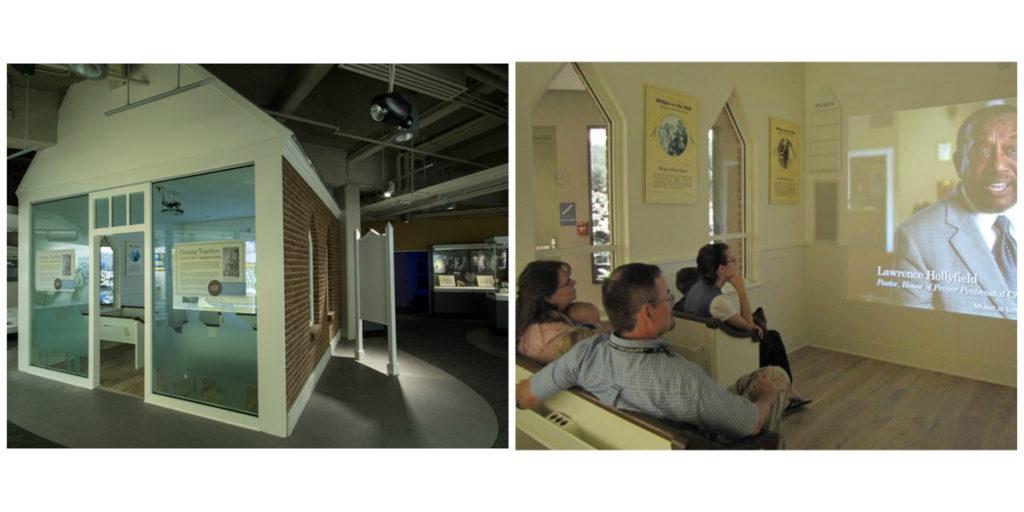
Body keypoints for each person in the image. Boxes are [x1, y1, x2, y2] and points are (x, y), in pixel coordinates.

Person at [516, 263, 791, 443]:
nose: (672, 302)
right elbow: (751, 425)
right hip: (709, 440)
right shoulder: (683, 379)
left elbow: (525, 396)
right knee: (775, 377)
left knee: (753, 379)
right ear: (647, 312)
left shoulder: (582, 354)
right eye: (667, 296)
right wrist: (766, 396)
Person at [893, 104, 1017, 319]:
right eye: (982, 152)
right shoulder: (915, 237)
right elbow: (916, 331)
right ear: (959, 163)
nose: (998, 166)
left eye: (1013, 149)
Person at [680, 243, 810, 411]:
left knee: (769, 335)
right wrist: (741, 290)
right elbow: (747, 325)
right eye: (733, 260)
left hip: (710, 345)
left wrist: (751, 325)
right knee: (771, 338)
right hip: (727, 351)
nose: (737, 264)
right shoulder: (717, 301)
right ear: (721, 268)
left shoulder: (697, 288)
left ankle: (788, 390)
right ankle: (788, 390)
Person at [515, 261, 606, 363]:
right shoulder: (561, 339)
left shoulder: (531, 322)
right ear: (549, 297)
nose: (574, 282)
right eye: (567, 282)